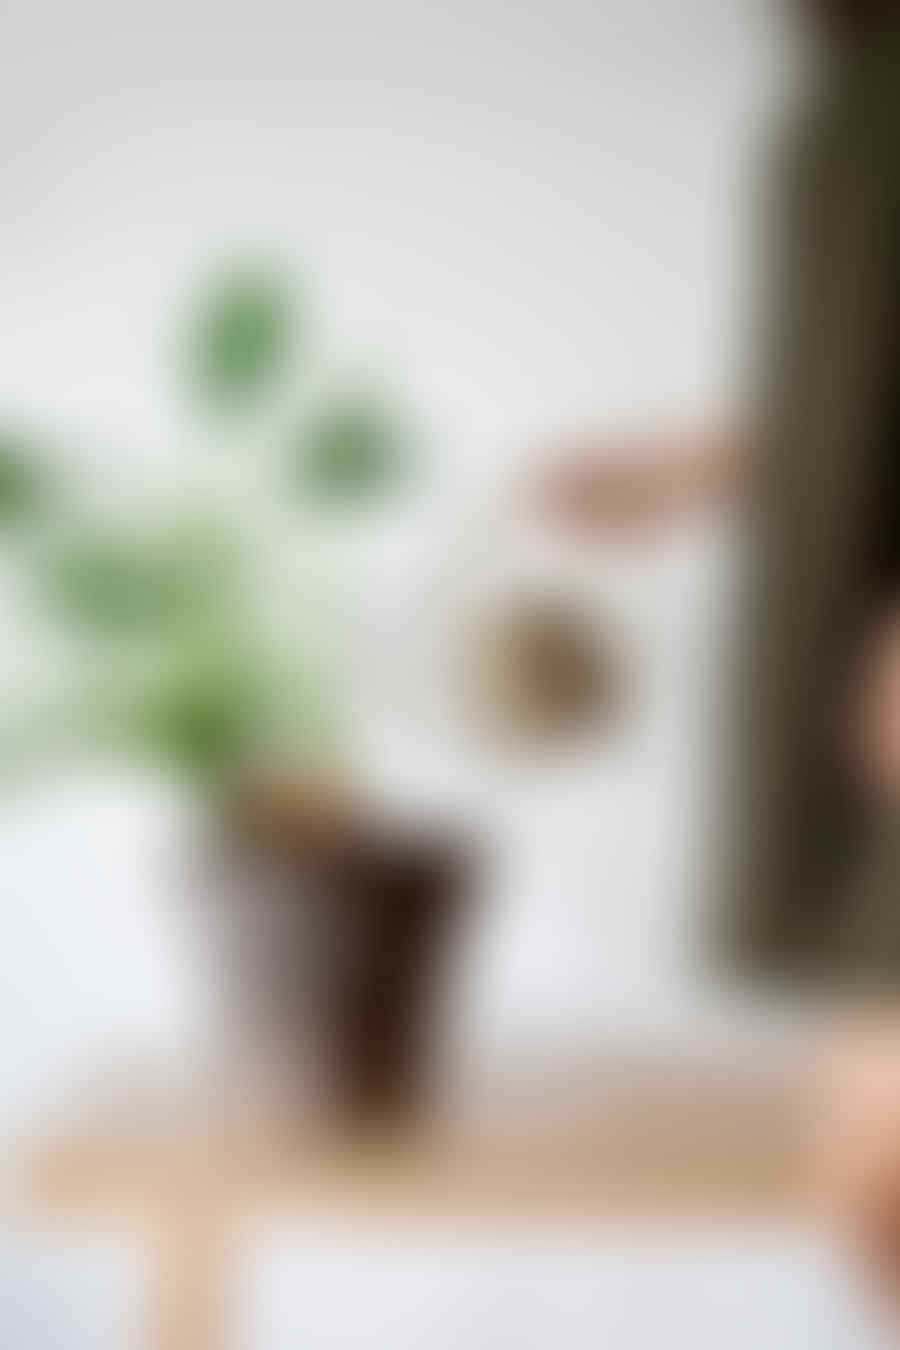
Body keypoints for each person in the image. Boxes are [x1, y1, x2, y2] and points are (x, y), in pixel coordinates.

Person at [538, 0, 900, 1298]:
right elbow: (856, 378)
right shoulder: (848, 80)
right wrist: (700, 469)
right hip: (840, 639)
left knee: (880, 1180)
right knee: (867, 1188)